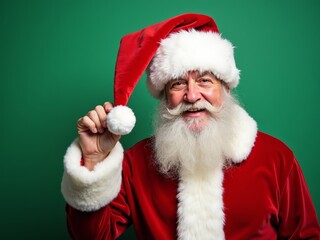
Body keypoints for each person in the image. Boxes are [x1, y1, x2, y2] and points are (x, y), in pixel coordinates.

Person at [61, 13, 320, 239]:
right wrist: (93, 160)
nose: (192, 96)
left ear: (226, 88)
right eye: (177, 84)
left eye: (205, 80)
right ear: (164, 95)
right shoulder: (135, 163)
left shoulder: (276, 158)